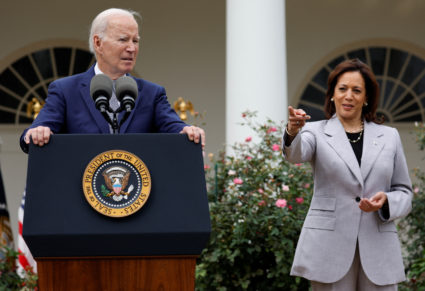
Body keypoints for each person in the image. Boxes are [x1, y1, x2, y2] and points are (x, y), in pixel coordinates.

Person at [283, 59, 412, 290]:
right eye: (342, 89)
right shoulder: (315, 131)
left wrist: (386, 202)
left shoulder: (390, 136)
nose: (348, 96)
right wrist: (292, 131)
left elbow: (404, 192)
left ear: (367, 98)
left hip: (378, 248)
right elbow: (296, 154)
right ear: (332, 94)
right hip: (328, 248)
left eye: (356, 90)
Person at [19, 8, 205, 153]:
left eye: (135, 40)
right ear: (98, 43)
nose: (131, 48)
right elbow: (31, 135)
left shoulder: (152, 93)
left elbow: (174, 127)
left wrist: (187, 131)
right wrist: (38, 132)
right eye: (123, 39)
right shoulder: (65, 90)